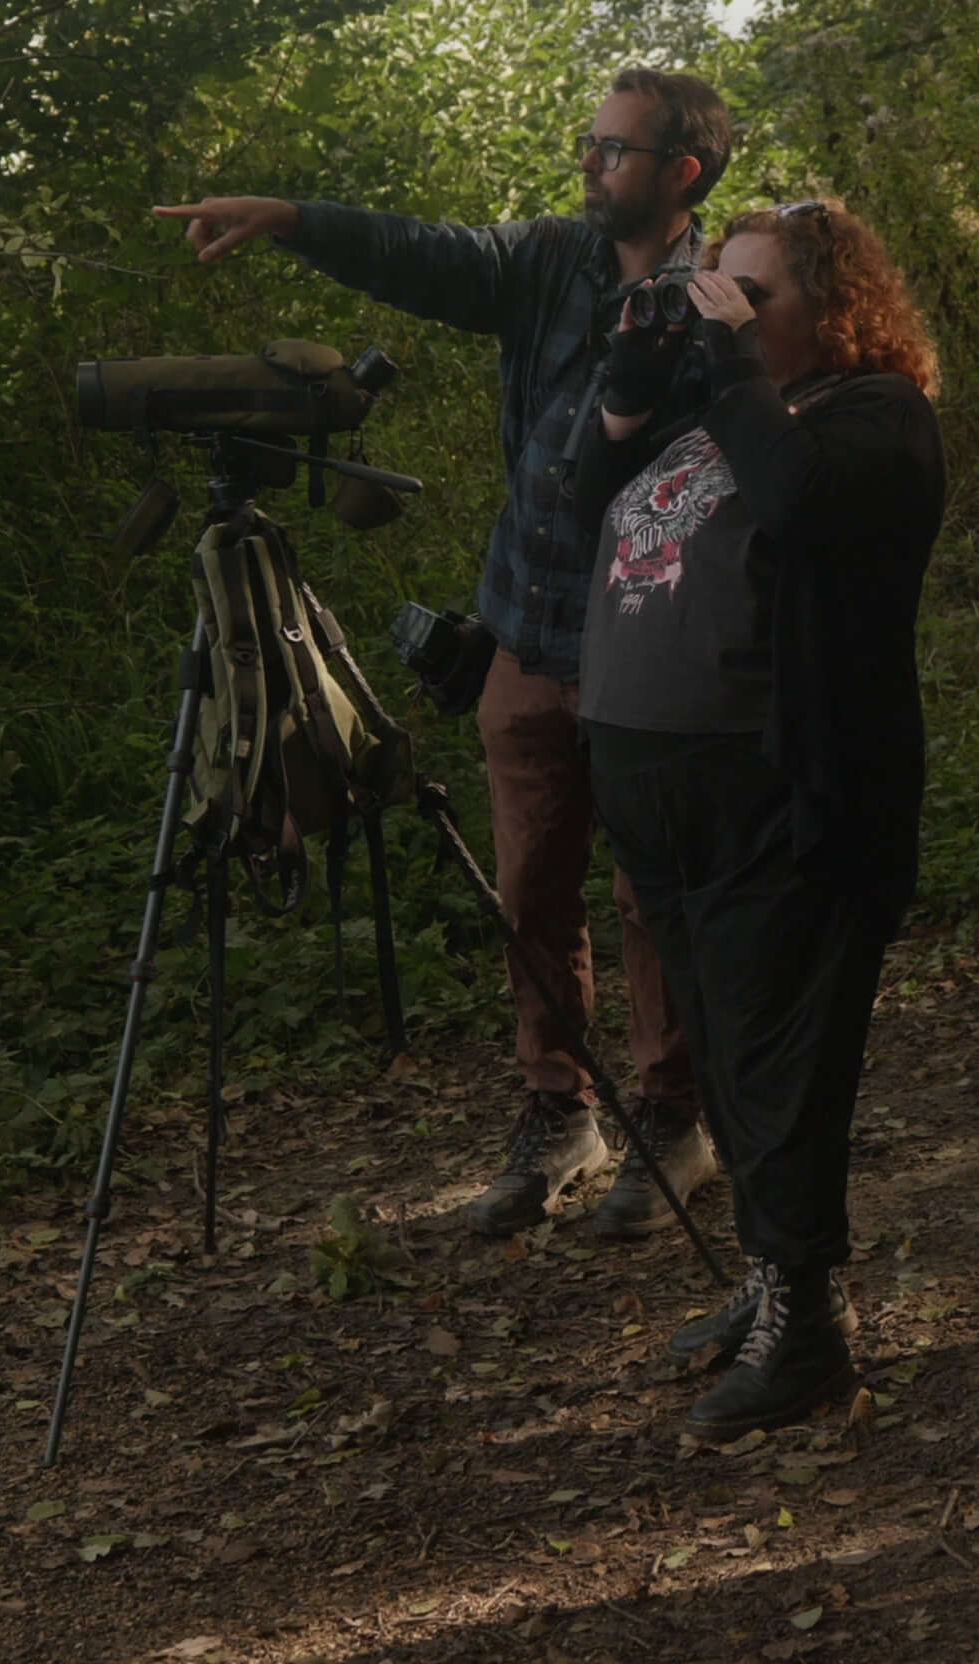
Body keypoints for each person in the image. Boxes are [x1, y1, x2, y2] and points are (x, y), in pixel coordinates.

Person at [151, 69, 723, 1241]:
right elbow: (425, 251)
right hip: (523, 621)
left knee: (649, 888)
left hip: (646, 639)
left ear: (683, 170)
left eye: (615, 149)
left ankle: (676, 1116)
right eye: (588, 141)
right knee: (530, 885)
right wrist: (293, 219)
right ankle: (557, 1113)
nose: (590, 164)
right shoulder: (547, 262)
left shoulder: (723, 294)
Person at [573, 198, 945, 1438]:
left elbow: (792, 506)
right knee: (728, 1062)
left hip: (777, 799)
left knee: (782, 1069)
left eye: (753, 292)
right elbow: (586, 496)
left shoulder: (875, 417)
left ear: (831, 305)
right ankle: (770, 1285)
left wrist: (726, 363)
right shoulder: (715, 405)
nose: (725, 309)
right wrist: (633, 378)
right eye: (713, 288)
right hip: (658, 795)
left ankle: (810, 1337)